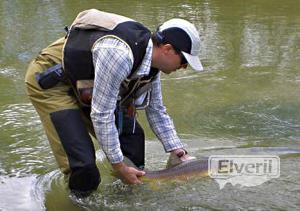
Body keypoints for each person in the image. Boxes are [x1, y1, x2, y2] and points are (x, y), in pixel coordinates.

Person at [25, 9, 203, 196]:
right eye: (184, 62)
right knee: (84, 166)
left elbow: (157, 110)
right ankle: (79, 203)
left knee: (132, 139)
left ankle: (125, 196)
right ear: (167, 49)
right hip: (53, 83)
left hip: (89, 83)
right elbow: (102, 114)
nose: (183, 68)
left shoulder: (151, 65)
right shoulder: (120, 55)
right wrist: (119, 166)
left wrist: (178, 151)